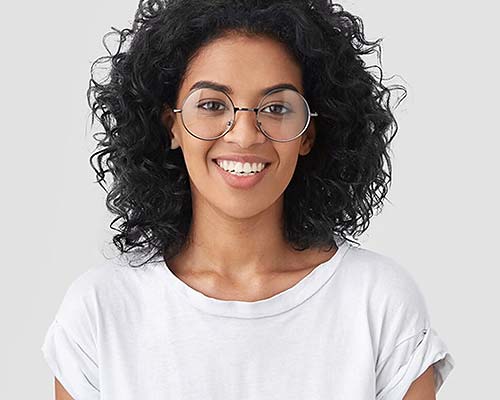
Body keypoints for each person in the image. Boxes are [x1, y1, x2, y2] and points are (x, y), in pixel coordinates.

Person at [41, 0, 455, 399]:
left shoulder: (378, 302)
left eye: (276, 108)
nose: (243, 135)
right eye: (211, 105)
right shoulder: (101, 311)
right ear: (172, 127)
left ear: (308, 134)